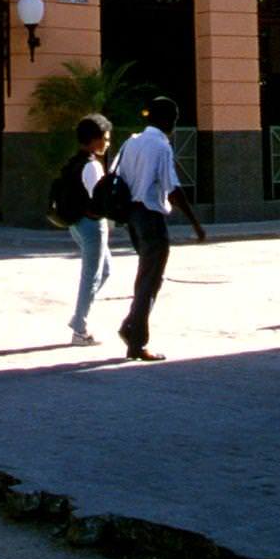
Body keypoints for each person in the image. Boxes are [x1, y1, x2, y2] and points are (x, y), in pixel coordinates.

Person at [113, 95, 206, 363]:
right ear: (167, 120)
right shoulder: (161, 146)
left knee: (148, 276)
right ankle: (136, 342)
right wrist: (195, 223)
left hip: (131, 216)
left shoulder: (132, 141)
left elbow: (117, 175)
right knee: (150, 280)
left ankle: (130, 325)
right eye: (175, 119)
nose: (176, 124)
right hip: (150, 216)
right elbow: (173, 188)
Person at [58, 113, 113, 345]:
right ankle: (80, 329)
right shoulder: (92, 166)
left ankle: (79, 316)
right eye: (106, 138)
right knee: (91, 276)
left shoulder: (75, 161)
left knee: (105, 270)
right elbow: (98, 198)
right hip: (92, 225)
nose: (107, 143)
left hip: (76, 223)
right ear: (95, 139)